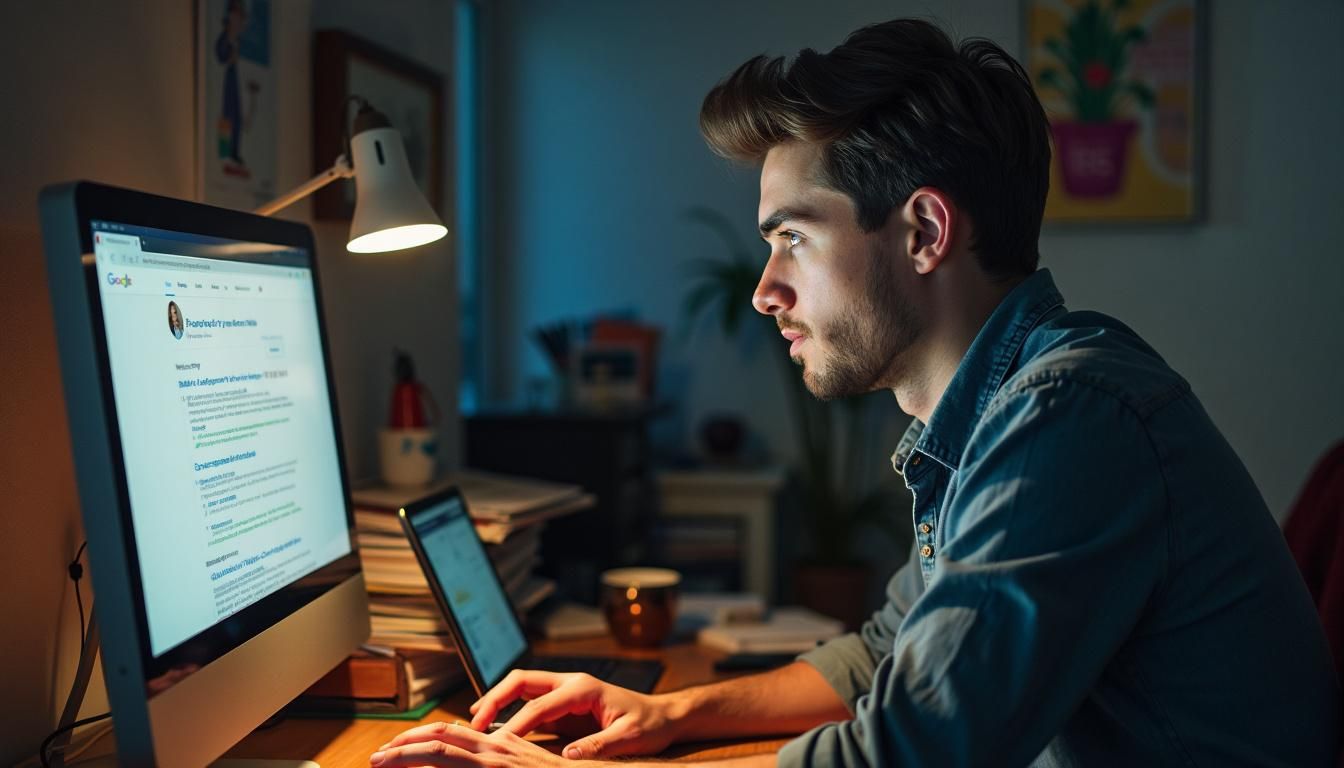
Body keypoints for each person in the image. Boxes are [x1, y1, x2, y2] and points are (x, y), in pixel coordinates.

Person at [370, 19, 1340, 768]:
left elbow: (908, 751)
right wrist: (669, 715)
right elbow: (888, 653)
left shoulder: (1068, 418)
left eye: (792, 236)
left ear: (922, 233)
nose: (763, 289)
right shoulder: (999, 414)